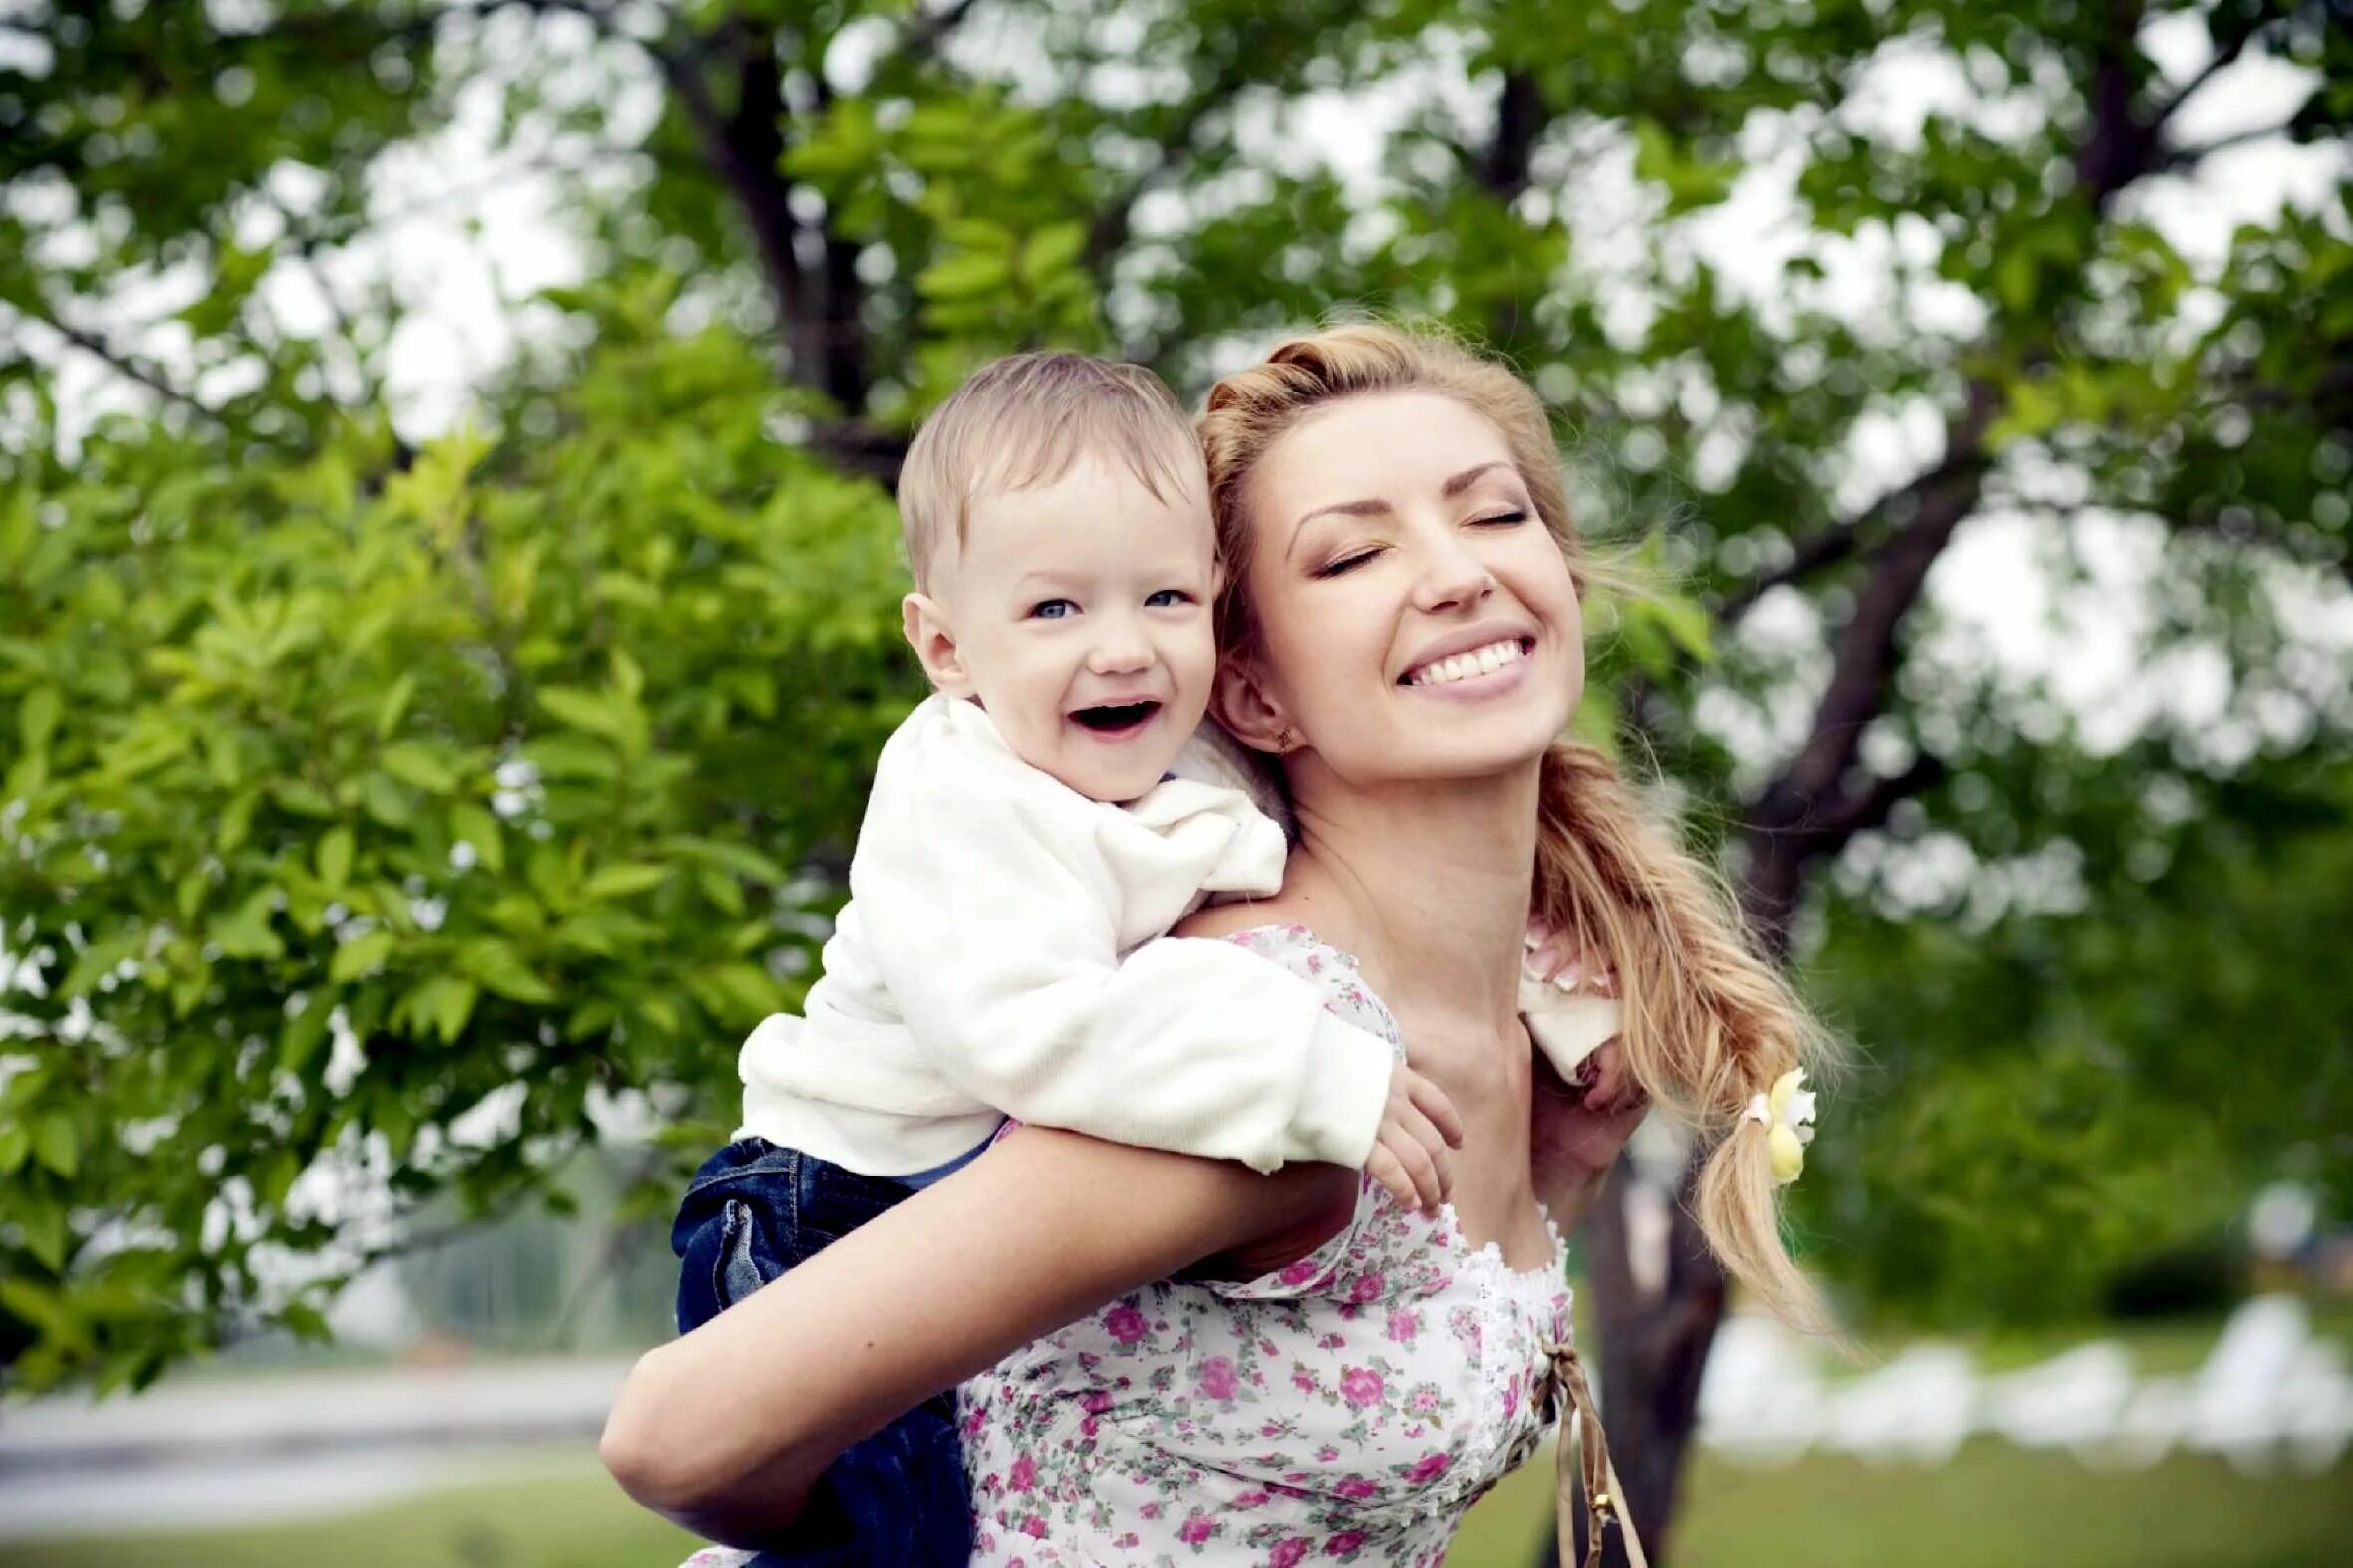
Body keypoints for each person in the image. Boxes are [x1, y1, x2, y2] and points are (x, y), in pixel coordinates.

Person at [606, 323, 1833, 1566]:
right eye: (1352, 551)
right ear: (1249, 689)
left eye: (1495, 514)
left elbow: (1318, 1468)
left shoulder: (1518, 1058)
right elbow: (675, 1435)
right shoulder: (1245, 1048)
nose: (1457, 572)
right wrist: (887, 1528)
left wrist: (1551, 1174)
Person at [670, 350, 1475, 1564]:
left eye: (1163, 599)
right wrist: (1307, 1076)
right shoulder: (961, 796)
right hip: (819, 1211)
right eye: (1054, 608)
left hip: (949, 1199)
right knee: (910, 1539)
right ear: (946, 648)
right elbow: (1039, 1035)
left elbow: (1393, 861)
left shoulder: (1157, 766)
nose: (1122, 649)